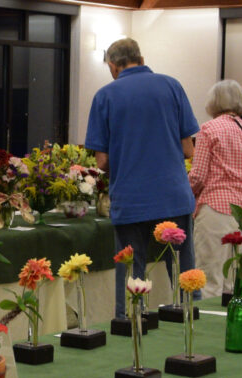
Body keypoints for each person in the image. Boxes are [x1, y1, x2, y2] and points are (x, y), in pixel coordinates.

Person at [84, 39, 199, 311]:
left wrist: (129, 162)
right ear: (142, 57)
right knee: (185, 277)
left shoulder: (105, 96)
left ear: (113, 66)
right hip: (173, 196)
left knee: (131, 278)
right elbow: (187, 149)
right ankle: (193, 335)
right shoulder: (172, 86)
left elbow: (101, 161)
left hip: (131, 198)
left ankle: (130, 333)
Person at [189, 79, 242, 299]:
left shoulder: (208, 129)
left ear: (213, 102)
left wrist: (179, 192)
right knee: (239, 280)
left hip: (216, 210)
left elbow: (198, 176)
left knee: (210, 279)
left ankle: (207, 329)